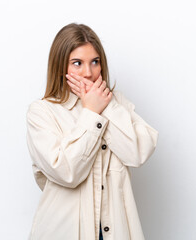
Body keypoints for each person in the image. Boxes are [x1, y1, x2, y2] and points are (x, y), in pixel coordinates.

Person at [26, 23, 158, 240]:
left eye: (94, 62)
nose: (88, 73)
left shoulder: (116, 103)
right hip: (62, 230)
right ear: (60, 67)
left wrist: (107, 107)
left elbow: (137, 152)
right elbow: (66, 172)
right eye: (77, 63)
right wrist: (92, 113)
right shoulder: (42, 112)